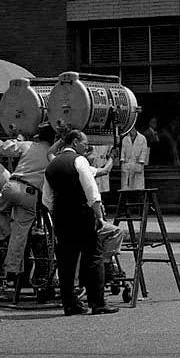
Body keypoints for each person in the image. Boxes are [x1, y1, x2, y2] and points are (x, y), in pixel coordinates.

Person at [44, 129, 118, 316]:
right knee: (93, 256)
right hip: (81, 213)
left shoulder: (52, 164)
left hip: (61, 215)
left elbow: (46, 197)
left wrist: (55, 214)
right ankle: (97, 302)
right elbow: (91, 189)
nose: (87, 146)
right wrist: (99, 215)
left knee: (66, 260)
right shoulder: (79, 160)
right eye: (85, 143)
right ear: (75, 142)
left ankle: (69, 304)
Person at [0, 124, 57, 288]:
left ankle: (3, 235)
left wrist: (18, 137)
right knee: (20, 234)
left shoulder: (28, 145)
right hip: (30, 193)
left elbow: (5, 149)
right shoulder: (53, 154)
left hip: (12, 186)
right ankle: (12, 269)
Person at [87, 144, 126, 281]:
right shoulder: (83, 168)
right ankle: (105, 264)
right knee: (115, 232)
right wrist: (111, 157)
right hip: (88, 216)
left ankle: (107, 264)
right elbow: (105, 170)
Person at [120, 124, 148, 191]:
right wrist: (123, 160)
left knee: (137, 186)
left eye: (132, 128)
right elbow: (123, 151)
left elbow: (144, 151)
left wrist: (141, 161)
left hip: (137, 163)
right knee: (126, 185)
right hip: (127, 163)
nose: (131, 130)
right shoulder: (125, 139)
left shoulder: (142, 138)